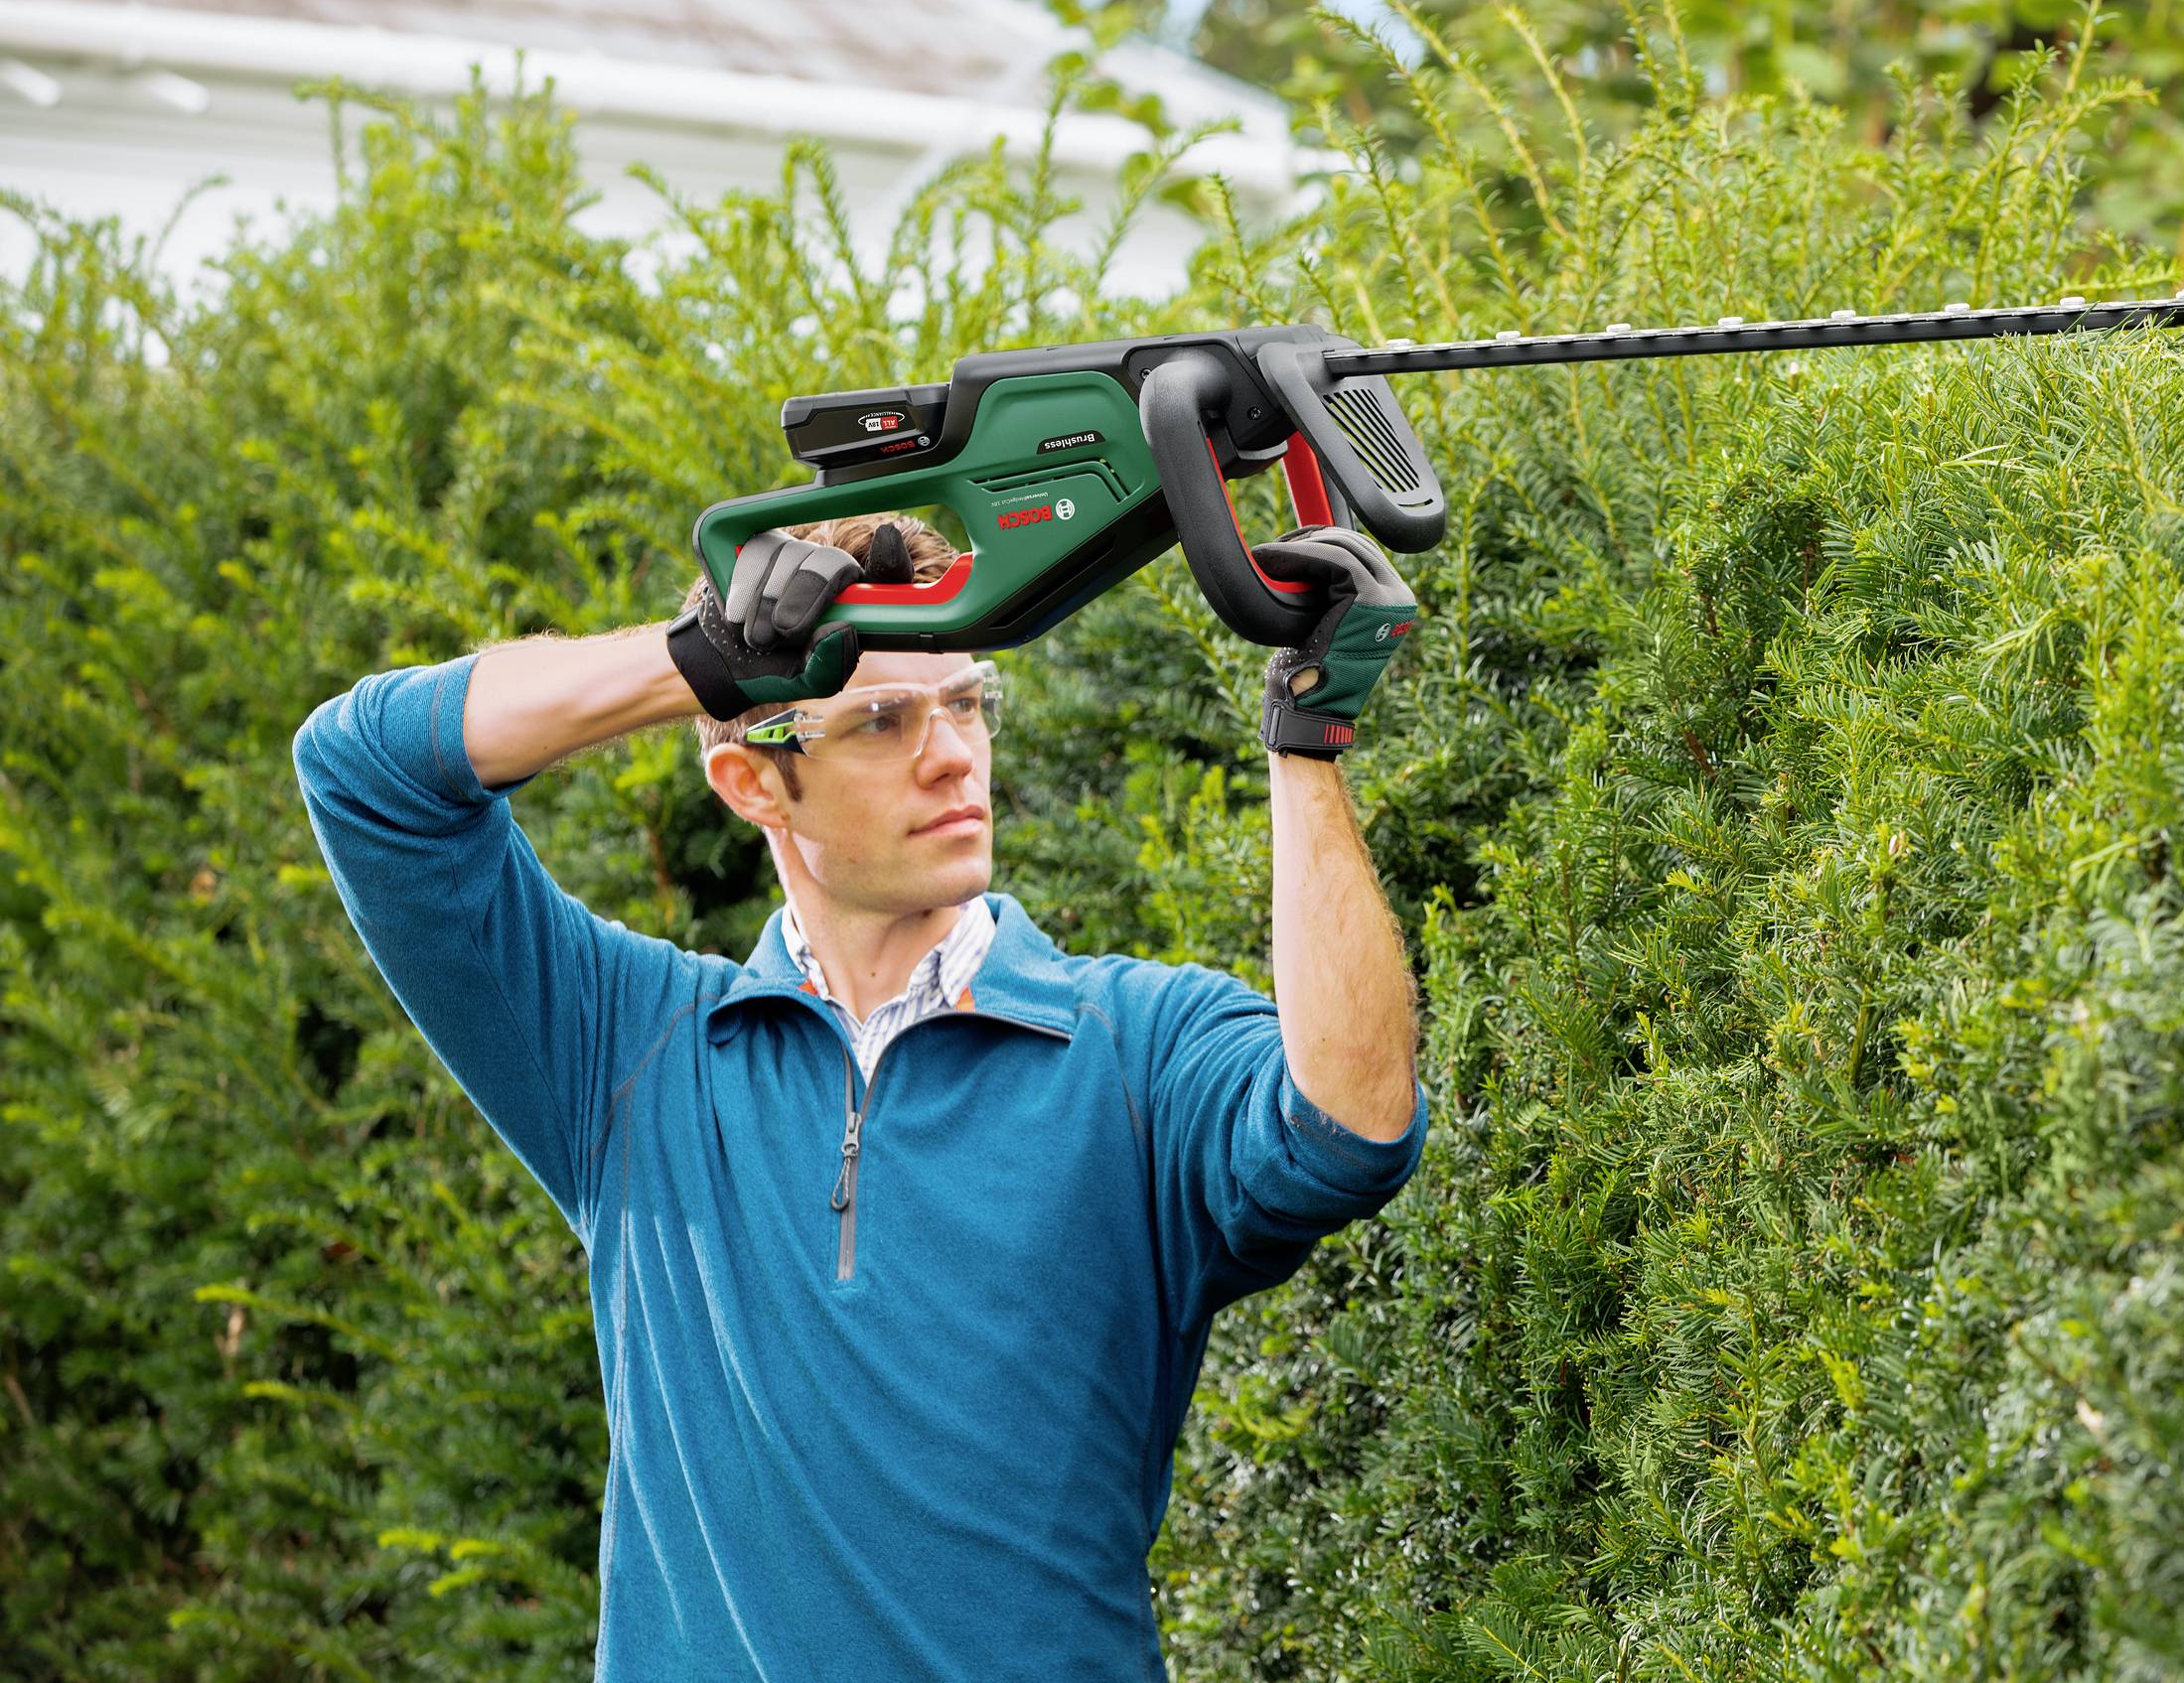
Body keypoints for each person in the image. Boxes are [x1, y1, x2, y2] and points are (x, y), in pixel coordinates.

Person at [289, 508, 1431, 1680]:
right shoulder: (627, 1056)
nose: (952, 753)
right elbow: (367, 772)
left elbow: (1343, 1131)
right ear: (751, 784)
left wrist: (1306, 740)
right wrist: (694, 659)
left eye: (967, 702)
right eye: (884, 720)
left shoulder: (1134, 1050)